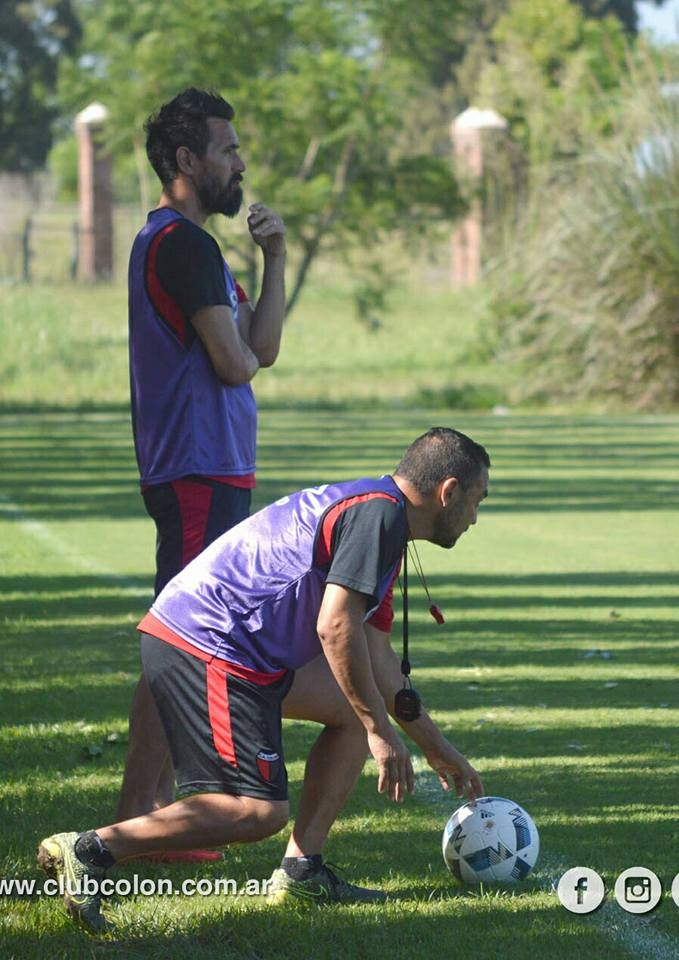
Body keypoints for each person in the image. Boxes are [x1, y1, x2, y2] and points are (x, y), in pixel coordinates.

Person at [38, 427, 489, 932]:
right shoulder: (377, 517)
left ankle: (302, 871)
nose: (475, 517)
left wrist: (436, 747)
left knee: (350, 710)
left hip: (229, 645)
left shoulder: (381, 515)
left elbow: (377, 655)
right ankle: (91, 849)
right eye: (477, 501)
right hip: (208, 644)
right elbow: (335, 626)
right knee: (256, 812)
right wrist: (379, 730)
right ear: (448, 491)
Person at [119, 88, 287, 829]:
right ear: (187, 161)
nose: (239, 164)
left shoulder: (201, 249)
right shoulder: (180, 245)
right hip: (194, 469)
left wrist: (275, 258)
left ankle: (154, 804)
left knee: (188, 632)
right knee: (180, 635)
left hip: (214, 469)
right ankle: (140, 809)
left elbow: (263, 347)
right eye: (228, 150)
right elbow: (234, 361)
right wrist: (242, 354)